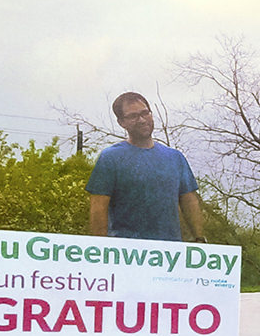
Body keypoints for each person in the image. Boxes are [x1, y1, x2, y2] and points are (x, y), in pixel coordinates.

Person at [86, 92, 204, 241]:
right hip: (126, 253)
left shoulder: (175, 157)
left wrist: (200, 239)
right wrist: (101, 248)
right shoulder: (110, 158)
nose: (142, 120)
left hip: (169, 252)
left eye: (145, 113)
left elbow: (189, 200)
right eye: (133, 116)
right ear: (122, 122)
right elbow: (98, 206)